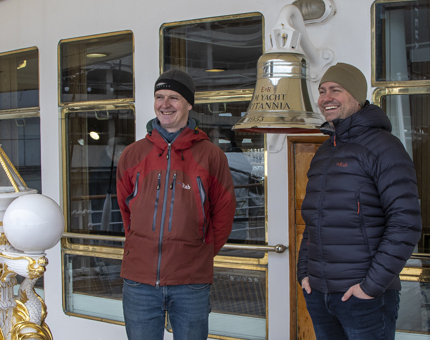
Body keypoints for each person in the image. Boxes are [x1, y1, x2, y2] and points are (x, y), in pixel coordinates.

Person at [297, 63, 422, 340]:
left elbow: (406, 222)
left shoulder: (384, 147)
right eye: (322, 91)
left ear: (357, 96)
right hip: (319, 294)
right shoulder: (324, 152)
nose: (326, 97)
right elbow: (313, 221)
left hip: (364, 298)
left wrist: (370, 287)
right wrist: (305, 274)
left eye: (336, 90)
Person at [116, 69, 236, 340]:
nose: (165, 104)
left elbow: (224, 213)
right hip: (139, 281)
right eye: (160, 96)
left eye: (174, 97)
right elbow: (126, 210)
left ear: (189, 103)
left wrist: (198, 253)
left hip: (191, 282)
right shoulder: (133, 154)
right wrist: (140, 245)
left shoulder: (211, 156)